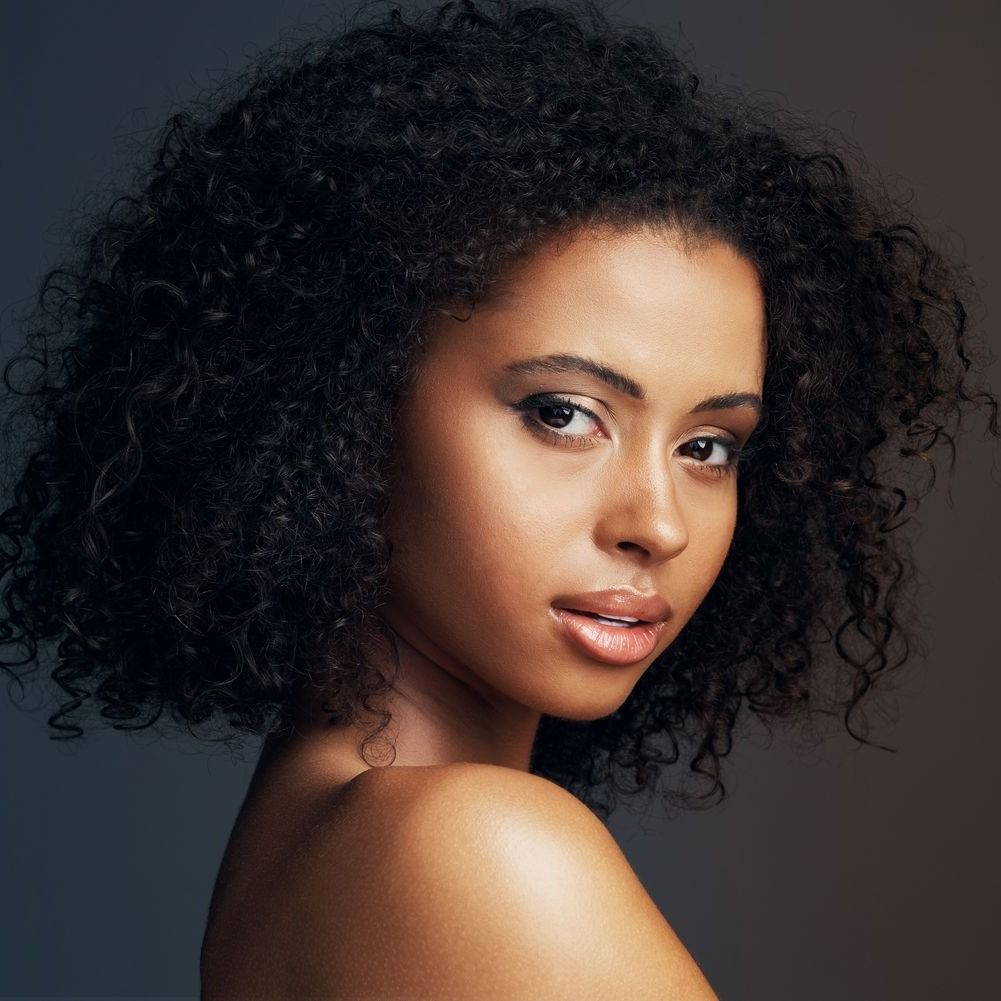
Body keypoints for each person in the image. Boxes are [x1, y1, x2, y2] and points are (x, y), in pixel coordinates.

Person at [1, 1, 996, 998]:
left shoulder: (319, 837)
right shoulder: (473, 847)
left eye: (706, 445)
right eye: (563, 413)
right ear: (341, 404)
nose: (656, 522)